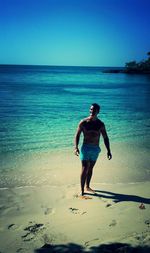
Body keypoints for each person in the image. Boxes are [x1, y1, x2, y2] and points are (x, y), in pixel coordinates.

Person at [74, 103, 112, 198]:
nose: (92, 111)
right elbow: (77, 135)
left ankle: (87, 186)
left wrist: (108, 150)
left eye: (94, 110)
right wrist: (76, 147)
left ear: (98, 111)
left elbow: (105, 138)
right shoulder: (83, 122)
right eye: (91, 109)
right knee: (84, 167)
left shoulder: (100, 124)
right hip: (85, 148)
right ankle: (82, 190)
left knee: (91, 168)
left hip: (95, 149)